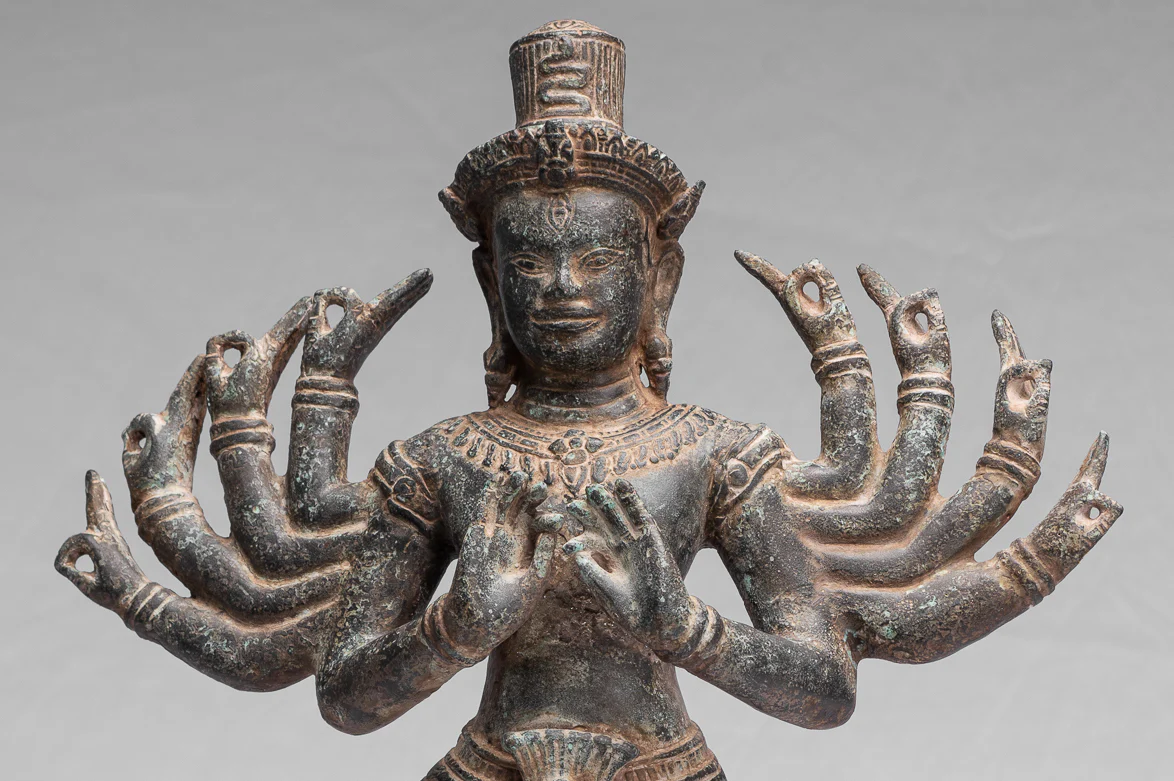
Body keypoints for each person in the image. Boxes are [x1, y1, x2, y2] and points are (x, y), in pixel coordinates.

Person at [56, 21, 1122, 781]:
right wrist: (455, 627)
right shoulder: (440, 461)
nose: (562, 287)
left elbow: (822, 686)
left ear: (658, 278)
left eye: (599, 259)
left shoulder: (712, 455)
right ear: (491, 282)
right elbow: (346, 695)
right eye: (529, 261)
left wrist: (687, 627)